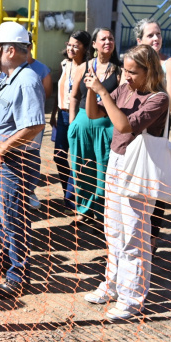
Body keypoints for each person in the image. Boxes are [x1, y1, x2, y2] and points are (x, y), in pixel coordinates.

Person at [82, 44, 169, 321]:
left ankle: (132, 298)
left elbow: (123, 125)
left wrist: (103, 91)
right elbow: (95, 114)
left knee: (134, 234)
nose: (127, 76)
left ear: (149, 70)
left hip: (139, 168)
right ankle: (112, 286)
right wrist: (90, 88)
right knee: (113, 231)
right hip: (117, 163)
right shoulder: (125, 89)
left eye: (133, 72)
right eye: (126, 71)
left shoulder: (158, 99)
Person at [0, 22, 45, 299]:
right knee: (1, 215)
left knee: (12, 217)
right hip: (1, 162)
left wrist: (5, 144)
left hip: (15, 162)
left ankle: (18, 275)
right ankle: (10, 261)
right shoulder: (10, 79)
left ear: (9, 50)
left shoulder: (27, 80)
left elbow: (34, 125)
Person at [134, 18, 171, 250]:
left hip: (157, 130)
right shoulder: (133, 63)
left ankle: (152, 238)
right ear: (139, 41)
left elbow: (169, 105)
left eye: (158, 34)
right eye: (150, 35)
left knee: (155, 182)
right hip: (133, 130)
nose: (156, 39)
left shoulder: (169, 64)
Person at [67, 28, 121, 226]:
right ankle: (83, 210)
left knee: (103, 172)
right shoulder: (84, 67)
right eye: (103, 38)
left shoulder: (119, 71)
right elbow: (74, 96)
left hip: (105, 127)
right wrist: (72, 123)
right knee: (82, 170)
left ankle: (102, 212)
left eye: (111, 38)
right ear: (95, 44)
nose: (108, 41)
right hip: (81, 126)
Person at [49, 30, 90, 211]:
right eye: (69, 44)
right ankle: (69, 193)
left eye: (76, 45)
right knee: (59, 156)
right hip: (62, 115)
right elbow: (60, 89)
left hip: (79, 115)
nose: (71, 48)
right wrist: (53, 114)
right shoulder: (65, 64)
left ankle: (76, 198)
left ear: (85, 47)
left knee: (78, 158)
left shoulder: (89, 67)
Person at [24, 31, 52, 209]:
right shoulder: (6, 68)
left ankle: (30, 190)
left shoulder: (42, 69)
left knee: (32, 156)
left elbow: (46, 94)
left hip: (34, 122)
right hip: (12, 124)